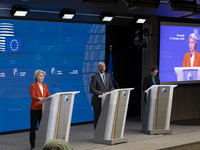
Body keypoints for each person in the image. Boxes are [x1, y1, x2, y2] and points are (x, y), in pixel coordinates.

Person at [29, 70, 51, 149]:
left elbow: (48, 95)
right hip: (35, 109)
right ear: (36, 77)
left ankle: (43, 144)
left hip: (43, 109)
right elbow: (32, 96)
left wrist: (53, 97)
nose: (42, 78)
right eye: (40, 76)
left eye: (43, 76)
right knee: (33, 128)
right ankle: (33, 146)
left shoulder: (45, 85)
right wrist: (38, 98)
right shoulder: (32, 86)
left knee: (43, 128)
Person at [90, 62, 114, 129]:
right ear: (98, 68)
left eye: (103, 66)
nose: (102, 68)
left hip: (106, 100)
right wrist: (102, 93)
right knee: (98, 119)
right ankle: (97, 135)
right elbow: (91, 89)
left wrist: (109, 92)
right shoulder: (94, 77)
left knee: (106, 118)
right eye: (101, 66)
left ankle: (104, 135)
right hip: (97, 101)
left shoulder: (108, 76)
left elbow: (111, 87)